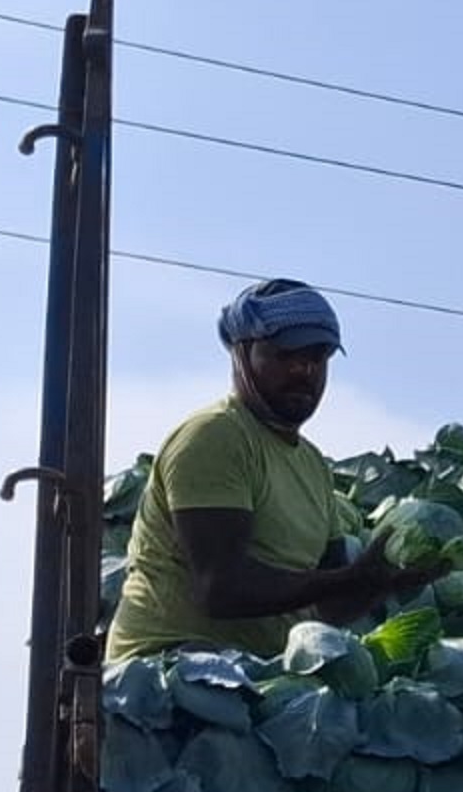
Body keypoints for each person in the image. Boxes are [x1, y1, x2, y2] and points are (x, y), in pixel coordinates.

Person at [105, 279, 444, 661]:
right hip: (167, 669)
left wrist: (385, 580)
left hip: (256, 673)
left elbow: (329, 603)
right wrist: (351, 578)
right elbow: (220, 588)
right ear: (241, 354)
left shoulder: (313, 465)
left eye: (318, 358)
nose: (304, 369)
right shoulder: (215, 437)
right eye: (285, 355)